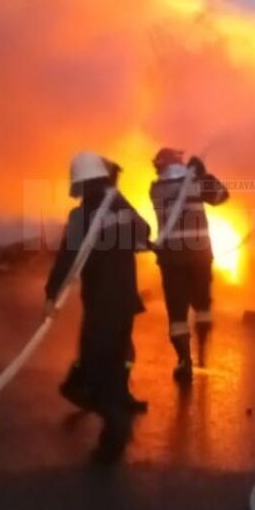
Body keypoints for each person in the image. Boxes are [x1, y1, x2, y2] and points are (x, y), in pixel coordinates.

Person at [46, 151, 150, 453]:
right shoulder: (120, 204)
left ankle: (114, 428)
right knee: (117, 354)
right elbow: (144, 232)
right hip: (125, 301)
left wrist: (51, 294)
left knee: (98, 361)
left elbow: (67, 260)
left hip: (102, 304)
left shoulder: (82, 216)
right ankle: (105, 399)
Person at [150, 147, 229, 381]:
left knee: (177, 314)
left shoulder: (156, 188)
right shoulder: (190, 183)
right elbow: (221, 196)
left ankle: (185, 360)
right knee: (202, 306)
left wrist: (197, 175)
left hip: (172, 260)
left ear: (160, 166)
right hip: (200, 257)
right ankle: (201, 349)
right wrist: (202, 175)